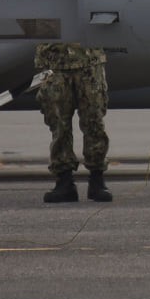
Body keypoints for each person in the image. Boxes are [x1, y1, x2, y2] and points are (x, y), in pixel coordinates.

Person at [34, 41, 112, 202]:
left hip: (89, 63)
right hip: (55, 64)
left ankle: (97, 179)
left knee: (94, 122)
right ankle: (64, 181)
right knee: (59, 126)